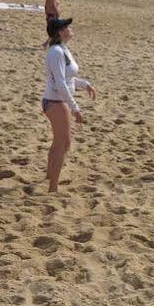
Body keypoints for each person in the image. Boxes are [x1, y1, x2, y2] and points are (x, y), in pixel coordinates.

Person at [42, 18, 96, 192]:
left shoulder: (62, 49)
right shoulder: (57, 51)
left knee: (61, 143)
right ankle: (53, 187)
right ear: (60, 32)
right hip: (56, 102)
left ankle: (49, 177)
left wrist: (84, 84)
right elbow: (60, 83)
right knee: (62, 144)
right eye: (67, 27)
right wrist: (75, 108)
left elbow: (68, 78)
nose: (71, 29)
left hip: (56, 100)